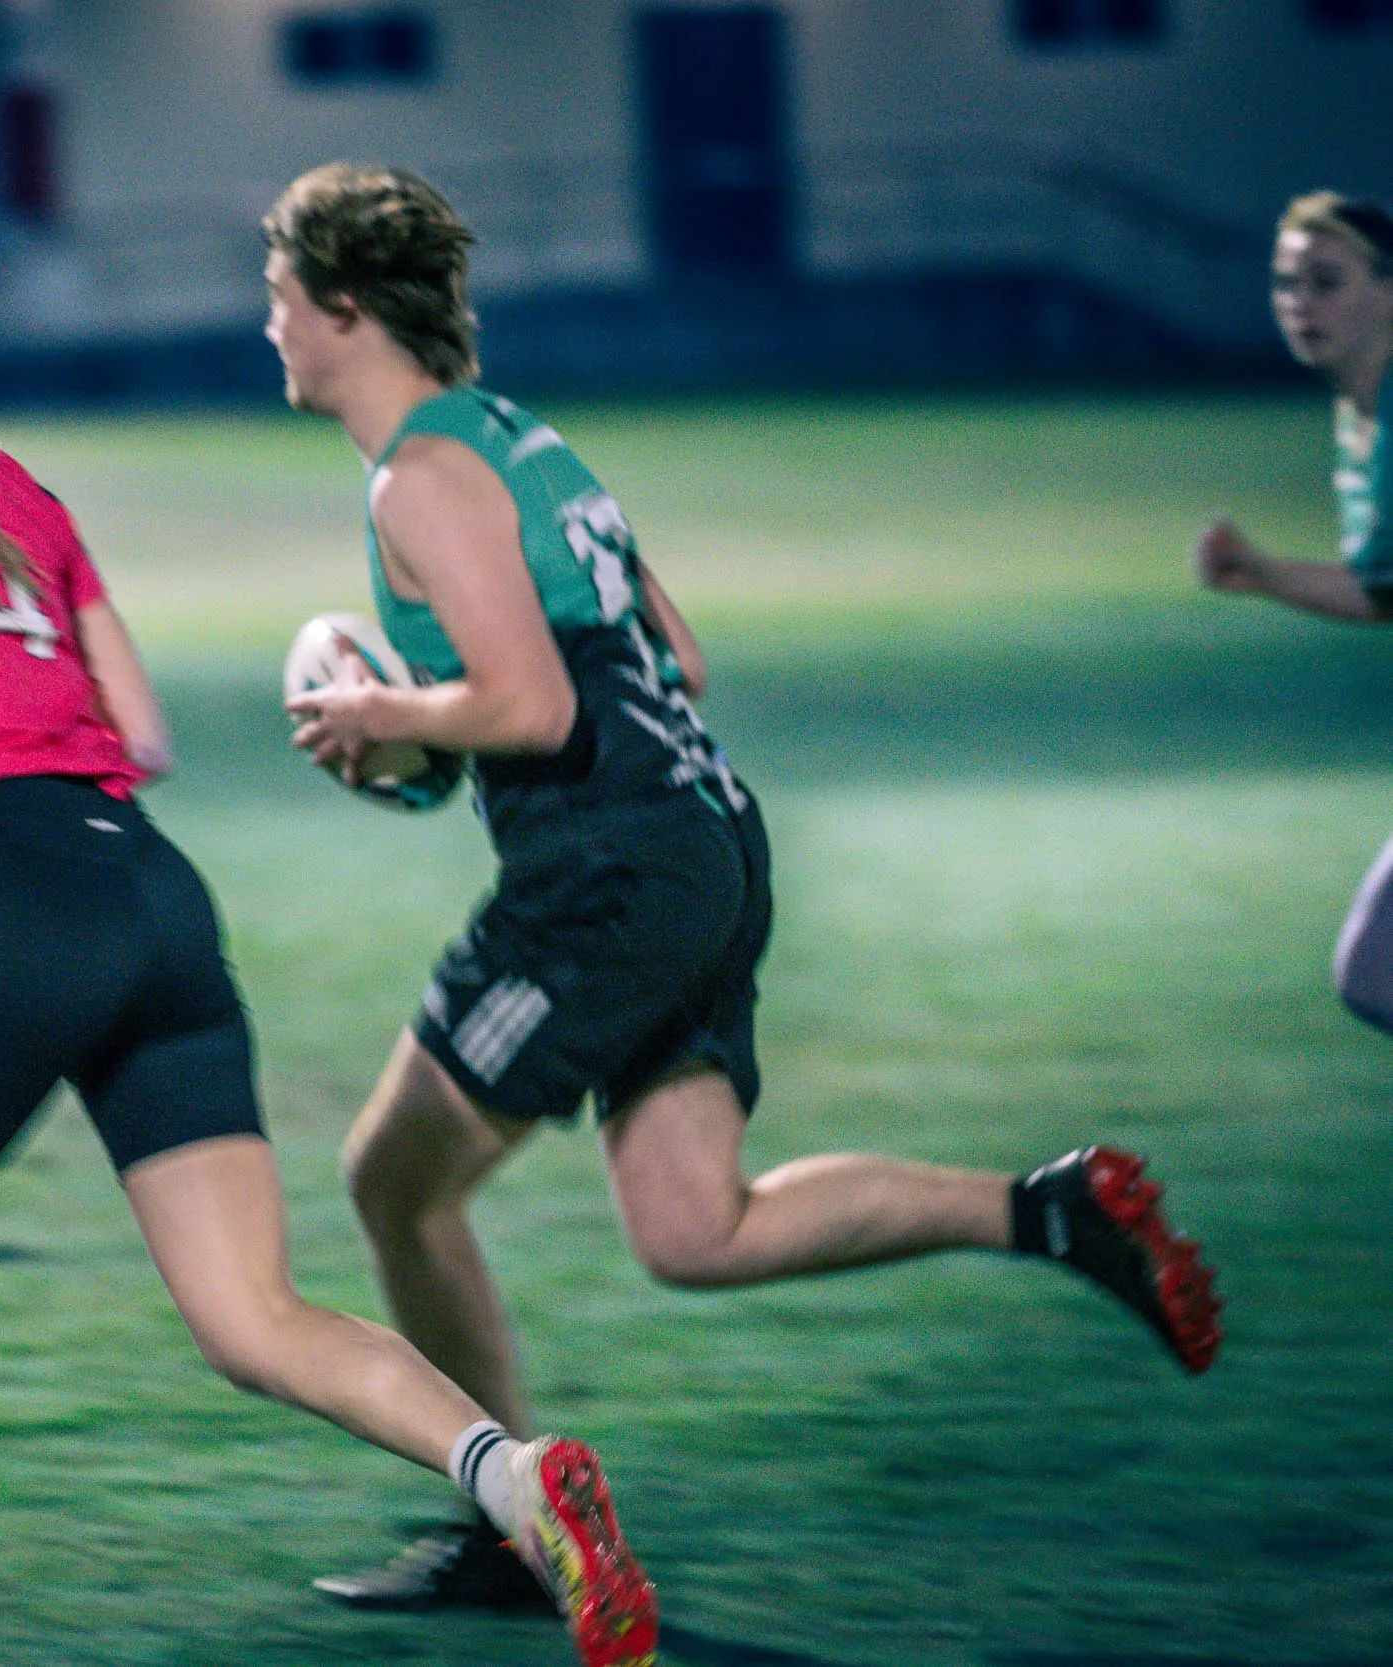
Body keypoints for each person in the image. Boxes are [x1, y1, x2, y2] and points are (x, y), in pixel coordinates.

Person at [264, 163, 1224, 1612]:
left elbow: (531, 707)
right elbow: (680, 661)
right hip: (703, 832)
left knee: (390, 1180)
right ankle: (1048, 1210)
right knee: (692, 1226)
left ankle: (511, 1521)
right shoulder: (521, 442)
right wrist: (431, 719)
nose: (268, 324)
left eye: (280, 295)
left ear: (344, 307)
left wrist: (384, 715)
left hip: (607, 863)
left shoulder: (419, 478)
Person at [0, 219, 660, 1667]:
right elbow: (134, 736)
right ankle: (514, 1476)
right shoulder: (26, 497)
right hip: (153, 900)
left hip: (21, 910)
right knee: (253, 1317)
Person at [1197, 191, 1393, 1033]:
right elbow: (1386, 590)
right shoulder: (1364, 412)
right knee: (1374, 974)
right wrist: (1267, 575)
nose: (1299, 303)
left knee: (1376, 971)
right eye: (1286, 283)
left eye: (1326, 281)